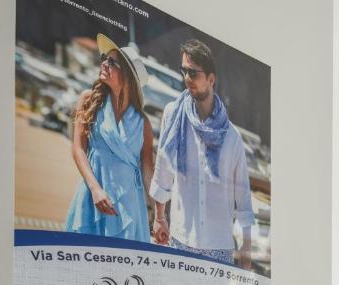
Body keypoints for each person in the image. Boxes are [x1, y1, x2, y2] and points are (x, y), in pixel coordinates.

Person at [150, 39, 254, 269]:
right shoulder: (173, 115)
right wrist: (159, 218)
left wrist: (246, 246)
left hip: (219, 246)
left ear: (211, 79)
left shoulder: (232, 137)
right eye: (184, 71)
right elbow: (163, 169)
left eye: (193, 73)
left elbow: (243, 196)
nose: (187, 78)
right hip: (180, 239)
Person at [66, 34, 154, 243]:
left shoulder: (144, 123)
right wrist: (95, 189)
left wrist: (160, 215)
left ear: (127, 77)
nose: (104, 63)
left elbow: (147, 172)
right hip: (92, 197)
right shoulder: (89, 99)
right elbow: (78, 149)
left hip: (129, 210)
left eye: (112, 62)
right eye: (105, 58)